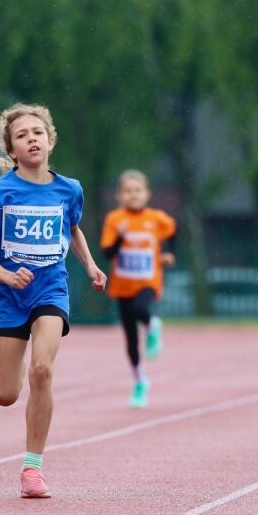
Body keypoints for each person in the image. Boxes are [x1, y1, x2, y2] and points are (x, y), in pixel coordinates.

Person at [0, 103, 107, 499]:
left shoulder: (69, 189)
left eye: (37, 132)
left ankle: (32, 469)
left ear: (50, 141)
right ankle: (16, 363)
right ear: (11, 149)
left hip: (50, 290)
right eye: (21, 135)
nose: (31, 139)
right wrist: (9, 276)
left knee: (42, 371)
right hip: (10, 298)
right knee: (5, 395)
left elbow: (73, 229)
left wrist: (90, 265)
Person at [100, 170, 176, 408]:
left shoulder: (156, 219)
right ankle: (140, 380)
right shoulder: (115, 220)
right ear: (119, 196)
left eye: (137, 190)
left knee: (140, 308)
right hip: (122, 284)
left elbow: (173, 231)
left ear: (147, 194)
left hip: (148, 281)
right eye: (128, 191)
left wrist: (169, 253)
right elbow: (107, 253)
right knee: (131, 338)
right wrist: (121, 238)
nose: (133, 195)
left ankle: (152, 326)